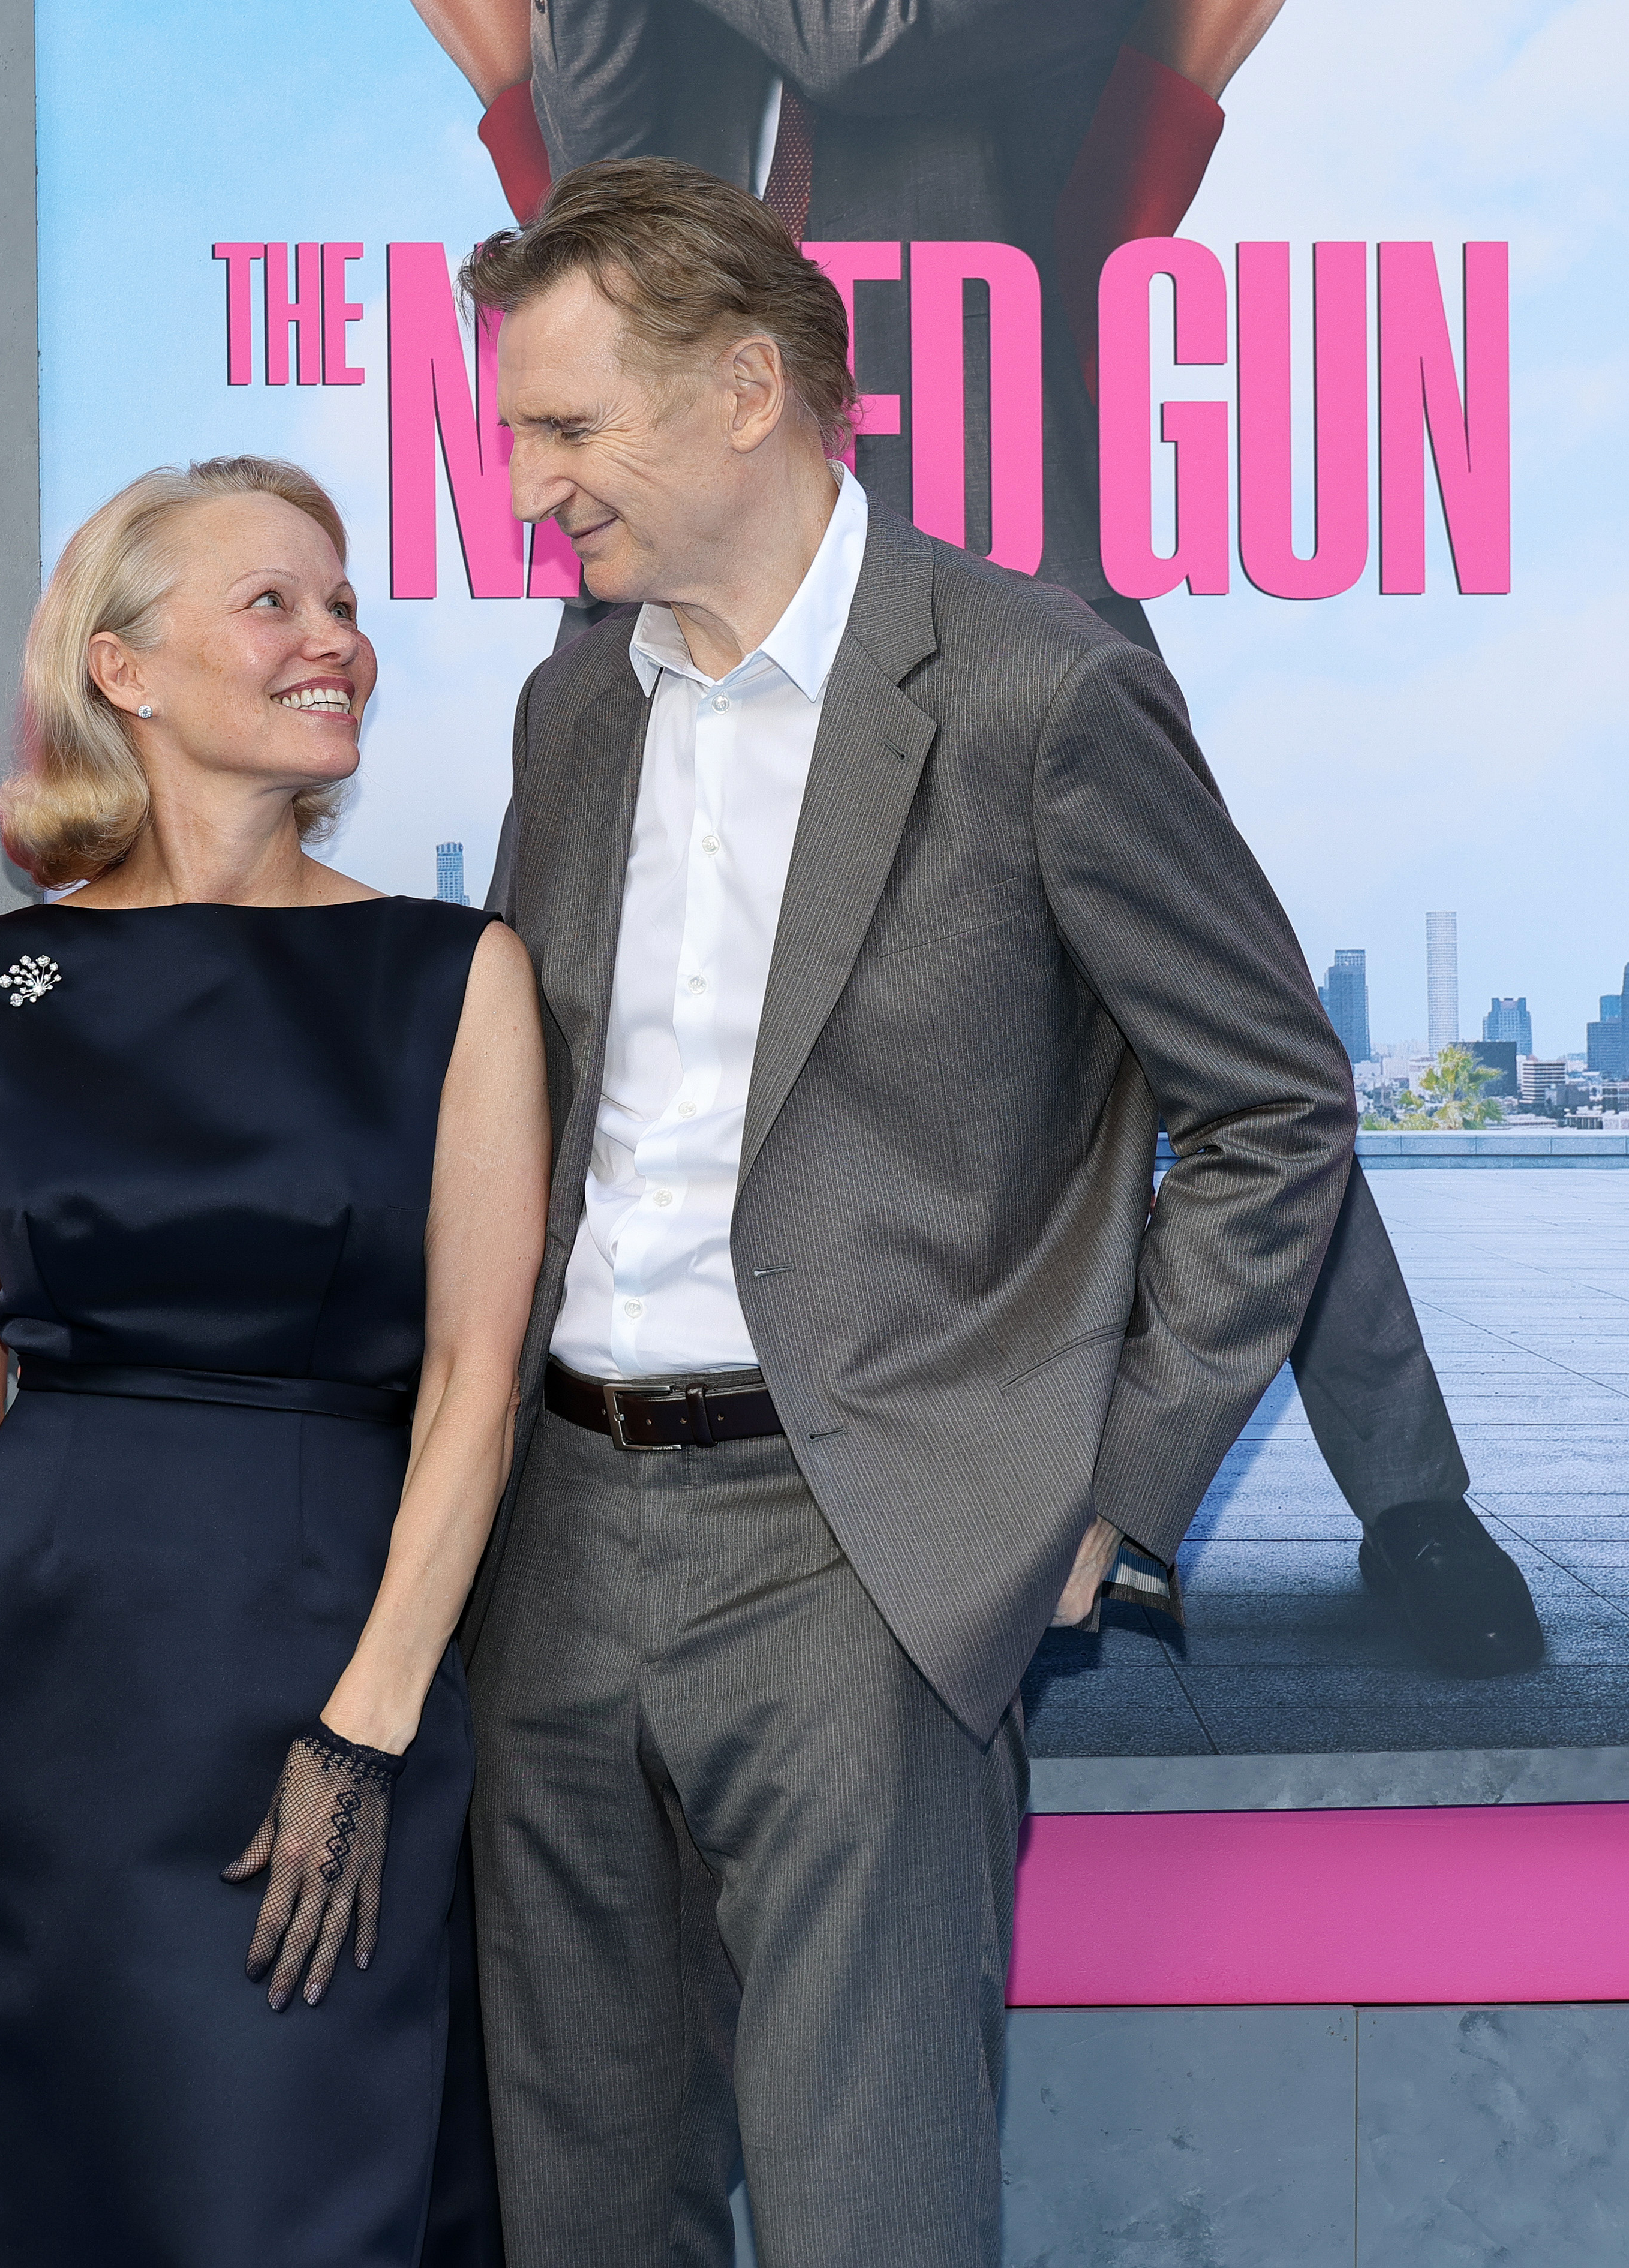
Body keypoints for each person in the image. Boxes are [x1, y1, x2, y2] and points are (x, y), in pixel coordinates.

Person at [454, 158, 1357, 2266]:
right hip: (558, 1533)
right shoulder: (571, 699)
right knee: (581, 2205)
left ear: (746, 389)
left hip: (863, 1553)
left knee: (875, 2213)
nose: (525, 489)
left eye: (566, 429)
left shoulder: (1039, 687)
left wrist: (1115, 1496)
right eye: (514, 433)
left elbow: (1270, 1105)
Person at [414, 0, 1543, 1677]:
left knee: (1212, 1017)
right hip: (697, 547)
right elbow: (606, 169)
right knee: (565, 1000)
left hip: (1003, 525)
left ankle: (1413, 1495)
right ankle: (510, 1476)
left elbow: (869, 47)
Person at [0, 455, 543, 2266]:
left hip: (323, 1669)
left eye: (348, 602)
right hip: (35, 1695)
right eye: (275, 602)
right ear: (124, 672)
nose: (338, 642)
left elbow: (475, 1381)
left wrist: (365, 1733)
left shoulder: (455, 974)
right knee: (18, 2189)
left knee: (299, 2184)